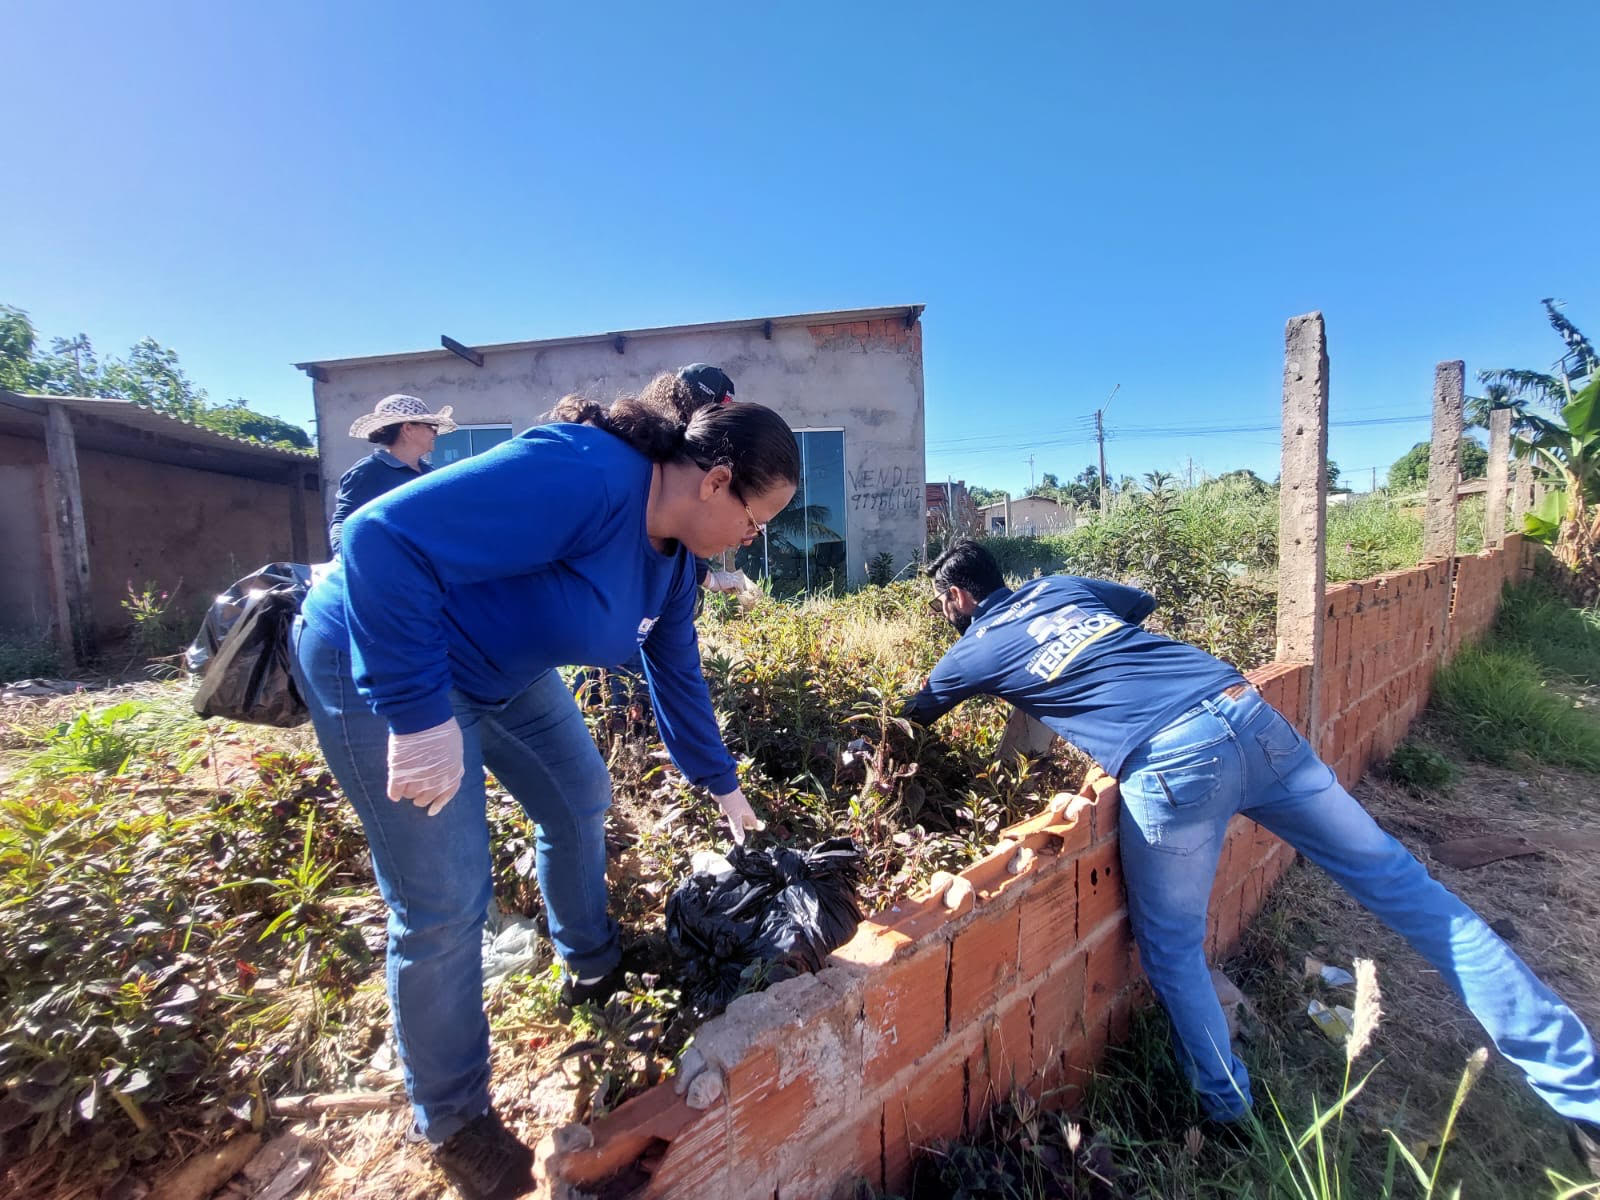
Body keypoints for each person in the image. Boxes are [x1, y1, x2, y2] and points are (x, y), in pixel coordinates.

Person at [903, 539, 1600, 1171]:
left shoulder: (971, 649)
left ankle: (1229, 1113)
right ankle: (1585, 1096)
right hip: (1246, 709)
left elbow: (910, 719)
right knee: (1412, 893)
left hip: (1172, 767)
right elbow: (1138, 605)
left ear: (957, 599)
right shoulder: (1057, 587)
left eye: (942, 605)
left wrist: (1032, 688)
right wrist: (1082, 666)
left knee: (1172, 949)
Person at [290, 374, 798, 1200]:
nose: (748, 538)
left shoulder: (673, 569)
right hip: (387, 652)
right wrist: (417, 718)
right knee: (446, 897)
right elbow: (382, 539)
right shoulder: (586, 475)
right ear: (714, 482)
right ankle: (453, 1118)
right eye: (754, 519)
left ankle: (591, 965)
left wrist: (725, 788)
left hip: (503, 668)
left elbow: (678, 677)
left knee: (578, 799)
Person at [328, 394, 457, 556]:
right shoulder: (369, 472)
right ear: (408, 429)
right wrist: (348, 558)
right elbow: (343, 522)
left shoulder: (430, 472)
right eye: (431, 427)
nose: (434, 434)